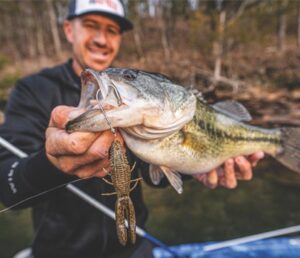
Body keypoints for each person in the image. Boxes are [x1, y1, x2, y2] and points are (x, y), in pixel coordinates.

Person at [0, 1, 264, 257]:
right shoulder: (33, 90)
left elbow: (153, 175)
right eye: (91, 25)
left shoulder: (143, 94)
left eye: (112, 30)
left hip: (134, 250)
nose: (102, 40)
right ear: (69, 29)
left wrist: (195, 169)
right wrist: (51, 163)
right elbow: (9, 189)